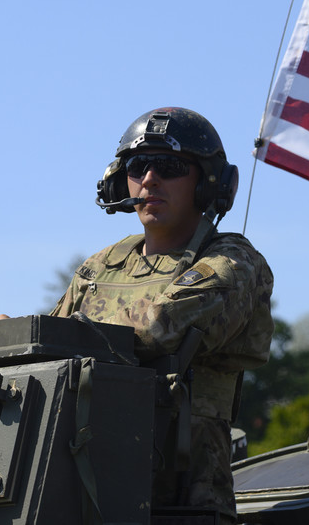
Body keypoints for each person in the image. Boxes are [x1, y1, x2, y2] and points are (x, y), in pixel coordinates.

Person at [51, 107, 274, 522]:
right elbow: (46, 351)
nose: (150, 179)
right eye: (137, 166)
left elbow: (160, 326)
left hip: (184, 499)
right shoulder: (101, 267)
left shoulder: (233, 261)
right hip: (87, 485)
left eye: (169, 166)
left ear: (209, 184)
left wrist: (60, 338)